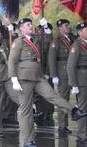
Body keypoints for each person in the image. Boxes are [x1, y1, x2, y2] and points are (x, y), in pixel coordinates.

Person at [8, 18, 87, 147]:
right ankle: (28, 140)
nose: (31, 26)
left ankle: (73, 111)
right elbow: (12, 61)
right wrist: (14, 79)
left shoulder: (35, 40)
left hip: (38, 77)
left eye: (31, 24)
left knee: (53, 95)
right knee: (26, 110)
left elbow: (48, 39)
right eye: (28, 25)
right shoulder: (18, 42)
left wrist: (46, 28)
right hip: (24, 78)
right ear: (21, 28)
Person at [48, 19, 73, 135]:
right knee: (63, 99)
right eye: (66, 25)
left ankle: (66, 125)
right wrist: (54, 75)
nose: (68, 27)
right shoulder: (56, 41)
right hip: (62, 73)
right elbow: (51, 58)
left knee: (68, 99)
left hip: (72, 73)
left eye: (68, 25)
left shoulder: (71, 39)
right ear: (60, 28)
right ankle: (62, 126)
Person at [67, 22, 87, 145]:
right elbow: (70, 66)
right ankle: (82, 134)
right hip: (82, 80)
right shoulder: (76, 45)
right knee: (83, 108)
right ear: (80, 32)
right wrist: (74, 84)